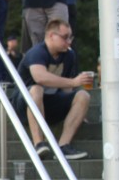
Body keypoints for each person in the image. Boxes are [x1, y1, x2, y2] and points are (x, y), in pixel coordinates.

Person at [9, 19, 90, 160]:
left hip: (50, 104)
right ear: (51, 36)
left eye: (70, 37)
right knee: (36, 89)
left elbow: (67, 89)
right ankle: (39, 144)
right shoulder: (37, 52)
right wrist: (73, 81)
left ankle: (63, 146)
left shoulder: (69, 55)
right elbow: (40, 77)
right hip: (25, 105)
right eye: (65, 37)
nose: (69, 41)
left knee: (83, 96)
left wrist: (77, 111)